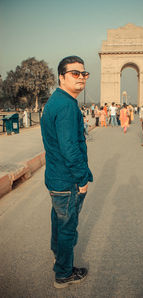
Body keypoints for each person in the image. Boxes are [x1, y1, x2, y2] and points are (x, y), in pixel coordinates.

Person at [40, 56, 93, 288]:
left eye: (84, 73)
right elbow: (70, 148)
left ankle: (58, 256)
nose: (81, 77)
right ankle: (63, 273)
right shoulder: (66, 106)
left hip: (55, 178)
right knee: (68, 229)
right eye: (75, 73)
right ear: (61, 76)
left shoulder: (56, 101)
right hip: (67, 180)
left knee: (58, 222)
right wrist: (82, 178)